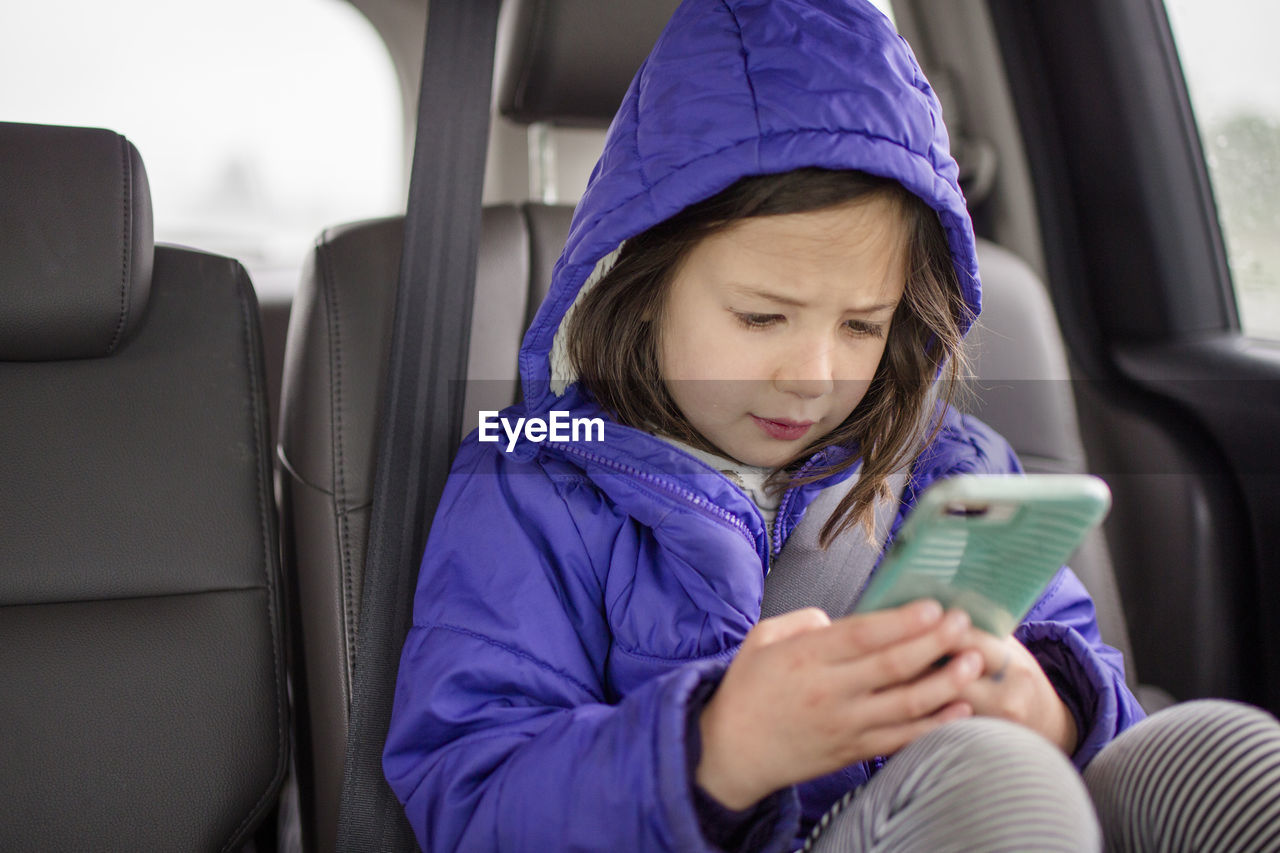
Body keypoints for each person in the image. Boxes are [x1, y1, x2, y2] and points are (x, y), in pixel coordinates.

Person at [384, 1, 1280, 850]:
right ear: (641, 287)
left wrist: (1050, 707)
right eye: (761, 318)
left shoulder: (953, 466)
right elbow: (469, 793)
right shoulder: (535, 478)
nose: (813, 376)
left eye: (861, 325)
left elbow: (1093, 685)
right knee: (998, 778)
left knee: (1221, 750)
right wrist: (717, 747)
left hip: (959, 799)